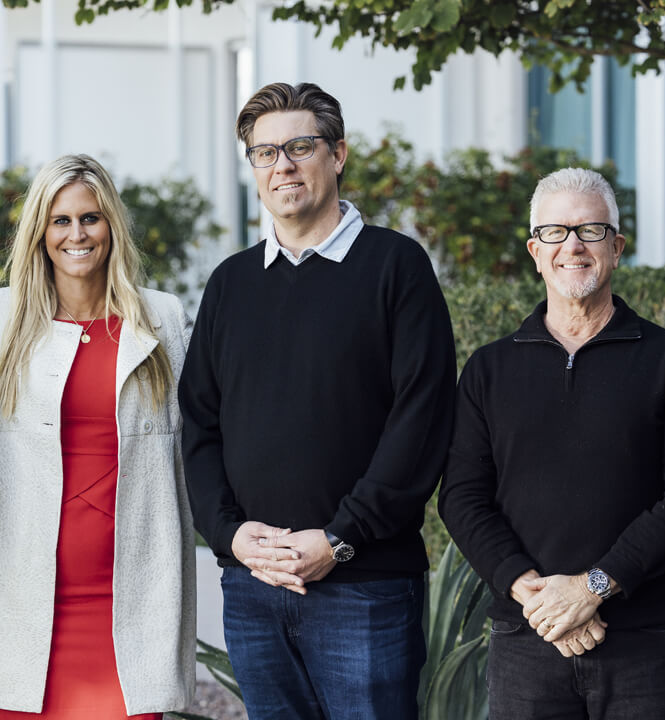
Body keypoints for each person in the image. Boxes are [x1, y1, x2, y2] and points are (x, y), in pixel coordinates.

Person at [179, 82, 457, 719]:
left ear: (338, 155)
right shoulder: (231, 283)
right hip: (253, 584)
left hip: (364, 587)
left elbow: (422, 419)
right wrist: (230, 533)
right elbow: (198, 423)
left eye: (300, 146)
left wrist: (342, 538)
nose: (282, 165)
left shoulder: (396, 267)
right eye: (264, 152)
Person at [438, 167, 665, 719]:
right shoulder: (489, 370)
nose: (572, 246)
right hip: (527, 640)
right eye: (554, 232)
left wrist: (594, 588)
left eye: (590, 231)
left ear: (616, 248)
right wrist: (537, 597)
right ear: (534, 250)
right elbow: (462, 497)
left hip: (645, 644)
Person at [0, 154, 195, 719]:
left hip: (130, 604)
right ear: (39, 232)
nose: (77, 234)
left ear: (112, 227)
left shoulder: (163, 320)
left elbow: (204, 442)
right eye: (60, 220)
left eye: (91, 218)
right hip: (19, 607)